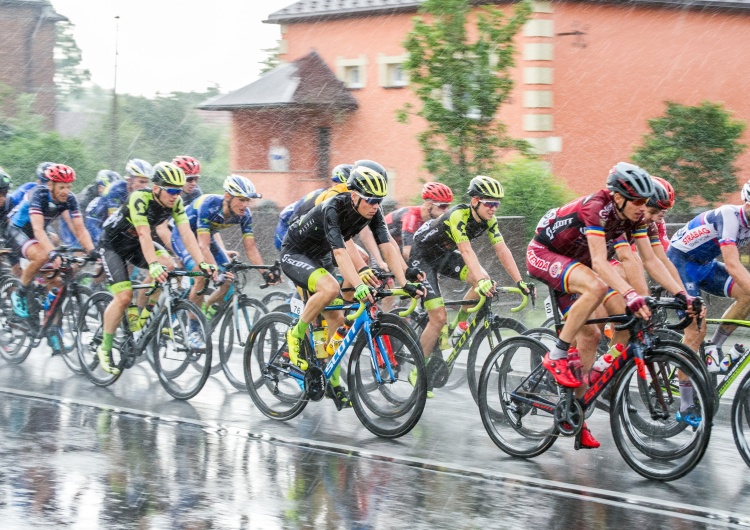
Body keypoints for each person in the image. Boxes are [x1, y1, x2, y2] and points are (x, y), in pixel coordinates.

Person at [526, 162, 660, 449]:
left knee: (592, 336)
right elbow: (600, 262)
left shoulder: (631, 217)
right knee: (598, 286)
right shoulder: (596, 207)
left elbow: (643, 260)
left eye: (646, 202)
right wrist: (629, 293)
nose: (642, 207)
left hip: (576, 262)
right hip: (544, 252)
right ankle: (557, 353)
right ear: (618, 197)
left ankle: (576, 416)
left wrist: (658, 297)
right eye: (636, 200)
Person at [280, 162, 423, 405]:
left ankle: (332, 380)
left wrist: (404, 280)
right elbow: (341, 253)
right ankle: (296, 331)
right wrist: (359, 284)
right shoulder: (333, 207)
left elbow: (387, 245)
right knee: (331, 288)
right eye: (370, 200)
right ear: (354, 195)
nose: (376, 205)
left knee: (336, 320)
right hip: (296, 253)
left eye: (380, 200)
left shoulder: (372, 211)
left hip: (320, 256)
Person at [409, 175, 533, 394]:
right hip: (423, 256)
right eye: (490, 203)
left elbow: (502, 249)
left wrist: (520, 281)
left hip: (444, 254)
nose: (494, 208)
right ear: (475, 201)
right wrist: (482, 280)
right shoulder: (457, 215)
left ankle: (455, 330)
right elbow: (466, 251)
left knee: (483, 281)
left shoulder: (489, 220)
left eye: (497, 204)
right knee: (437, 317)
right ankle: (417, 370)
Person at [96, 162, 217, 374]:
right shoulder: (139, 199)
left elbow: (187, 233)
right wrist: (152, 265)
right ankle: (105, 348)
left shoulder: (176, 202)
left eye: (178, 191)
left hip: (134, 245)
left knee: (168, 265)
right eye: (170, 190)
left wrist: (202, 262)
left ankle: (144, 317)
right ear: (156, 188)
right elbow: (144, 233)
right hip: (113, 245)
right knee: (124, 297)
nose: (174, 195)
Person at [668, 180, 750, 382]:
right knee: (696, 333)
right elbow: (732, 264)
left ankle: (715, 347)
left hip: (705, 264)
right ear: (747, 204)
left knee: (746, 294)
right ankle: (685, 405)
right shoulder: (729, 215)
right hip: (680, 263)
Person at [171, 174, 280, 319]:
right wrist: (215, 273)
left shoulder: (245, 214)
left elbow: (251, 247)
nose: (245, 205)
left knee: (229, 279)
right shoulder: (208, 204)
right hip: (182, 236)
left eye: (247, 200)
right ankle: (194, 329)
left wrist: (264, 273)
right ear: (228, 196)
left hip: (205, 237)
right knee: (202, 275)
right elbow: (203, 246)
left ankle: (205, 308)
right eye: (241, 200)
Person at [7, 164, 98, 333]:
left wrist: (92, 250)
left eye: (69, 187)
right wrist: (52, 252)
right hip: (17, 231)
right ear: (50, 185)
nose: (66, 191)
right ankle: (19, 293)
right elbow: (38, 230)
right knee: (43, 256)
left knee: (56, 279)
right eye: (62, 187)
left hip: (35, 234)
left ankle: (50, 325)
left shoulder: (69, 199)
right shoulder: (38, 195)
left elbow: (80, 229)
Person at [386, 182, 454, 260]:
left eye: (448, 206)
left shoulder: (432, 221)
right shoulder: (412, 215)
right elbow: (407, 253)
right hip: (377, 242)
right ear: (428, 205)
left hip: (395, 246)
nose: (446, 210)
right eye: (443, 206)